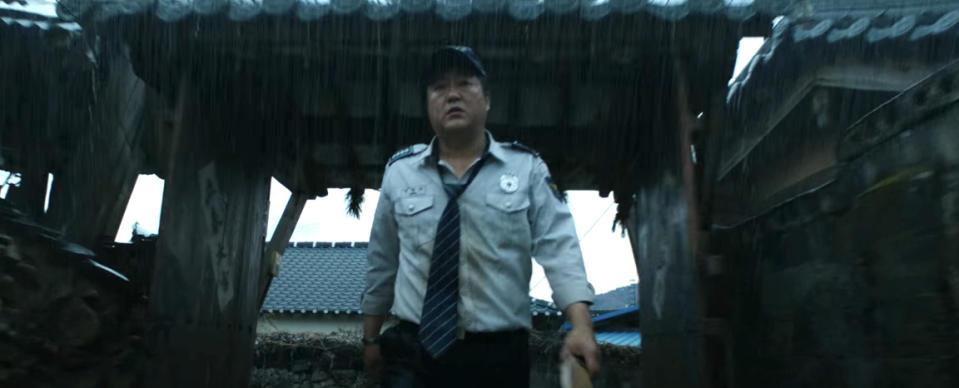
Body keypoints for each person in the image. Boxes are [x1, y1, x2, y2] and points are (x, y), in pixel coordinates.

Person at [361, 45, 600, 388]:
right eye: (439, 87)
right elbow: (382, 260)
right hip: (415, 352)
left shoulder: (527, 168)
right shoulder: (400, 173)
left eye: (465, 84)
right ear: (427, 104)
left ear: (487, 99)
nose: (452, 94)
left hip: (499, 355)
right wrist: (370, 339)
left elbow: (560, 249)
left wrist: (581, 326)